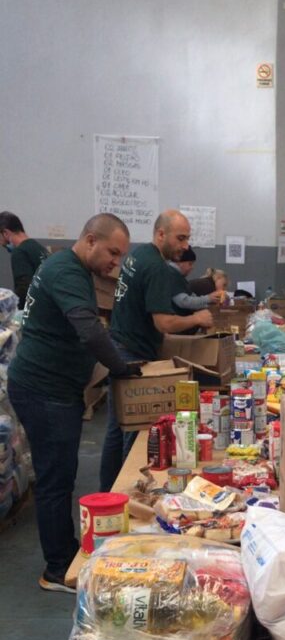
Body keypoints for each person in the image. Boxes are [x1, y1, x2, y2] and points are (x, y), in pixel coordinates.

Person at [7, 213, 142, 593]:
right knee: (55, 479)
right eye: (112, 253)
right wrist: (121, 368)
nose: (116, 262)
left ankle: (64, 555)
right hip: (44, 390)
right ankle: (57, 568)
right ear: (90, 240)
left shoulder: (72, 269)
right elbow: (88, 329)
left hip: (54, 389)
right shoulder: (66, 270)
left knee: (60, 475)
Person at [99, 210, 213, 491]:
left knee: (116, 427)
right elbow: (163, 323)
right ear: (161, 234)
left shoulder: (138, 255)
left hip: (118, 345)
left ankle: (108, 491)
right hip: (133, 354)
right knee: (135, 431)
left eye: (187, 238)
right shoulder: (157, 268)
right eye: (180, 238)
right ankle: (129, 495)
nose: (185, 245)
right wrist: (197, 318)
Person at [0, 211, 49, 308]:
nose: (1, 244)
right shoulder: (39, 247)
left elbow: (24, 288)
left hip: (35, 310)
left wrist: (12, 309)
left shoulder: (19, 252)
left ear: (5, 233)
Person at [167, 247, 221, 314]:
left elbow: (192, 297)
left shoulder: (178, 276)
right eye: (190, 264)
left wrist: (208, 303)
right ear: (180, 262)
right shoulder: (172, 275)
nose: (192, 267)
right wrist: (208, 298)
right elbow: (184, 302)